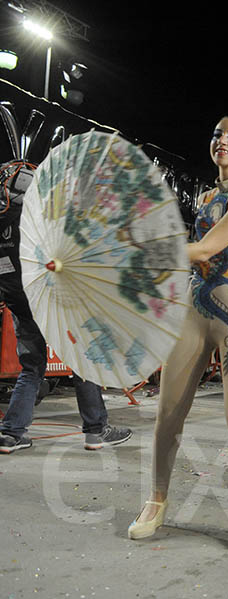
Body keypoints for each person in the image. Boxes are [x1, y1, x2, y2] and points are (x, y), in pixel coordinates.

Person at [128, 113, 228, 553]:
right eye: (216, 134)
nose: (221, 140)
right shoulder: (208, 197)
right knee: (168, 410)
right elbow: (194, 259)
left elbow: (209, 248)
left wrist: (148, 251)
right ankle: (156, 500)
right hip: (194, 310)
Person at [0, 161, 131, 454]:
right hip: (52, 300)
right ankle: (96, 431)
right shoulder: (39, 218)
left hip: (19, 303)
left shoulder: (4, 222)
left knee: (32, 367)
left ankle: (11, 434)